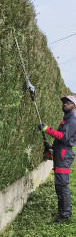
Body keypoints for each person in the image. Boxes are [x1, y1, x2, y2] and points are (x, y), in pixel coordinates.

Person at [38, 95, 76, 224]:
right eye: (64, 101)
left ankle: (65, 216)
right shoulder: (66, 119)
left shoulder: (73, 120)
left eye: (69, 102)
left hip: (64, 156)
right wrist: (52, 148)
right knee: (59, 185)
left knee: (62, 186)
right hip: (61, 154)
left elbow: (64, 138)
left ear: (74, 106)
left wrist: (46, 129)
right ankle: (63, 212)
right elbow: (62, 141)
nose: (65, 103)